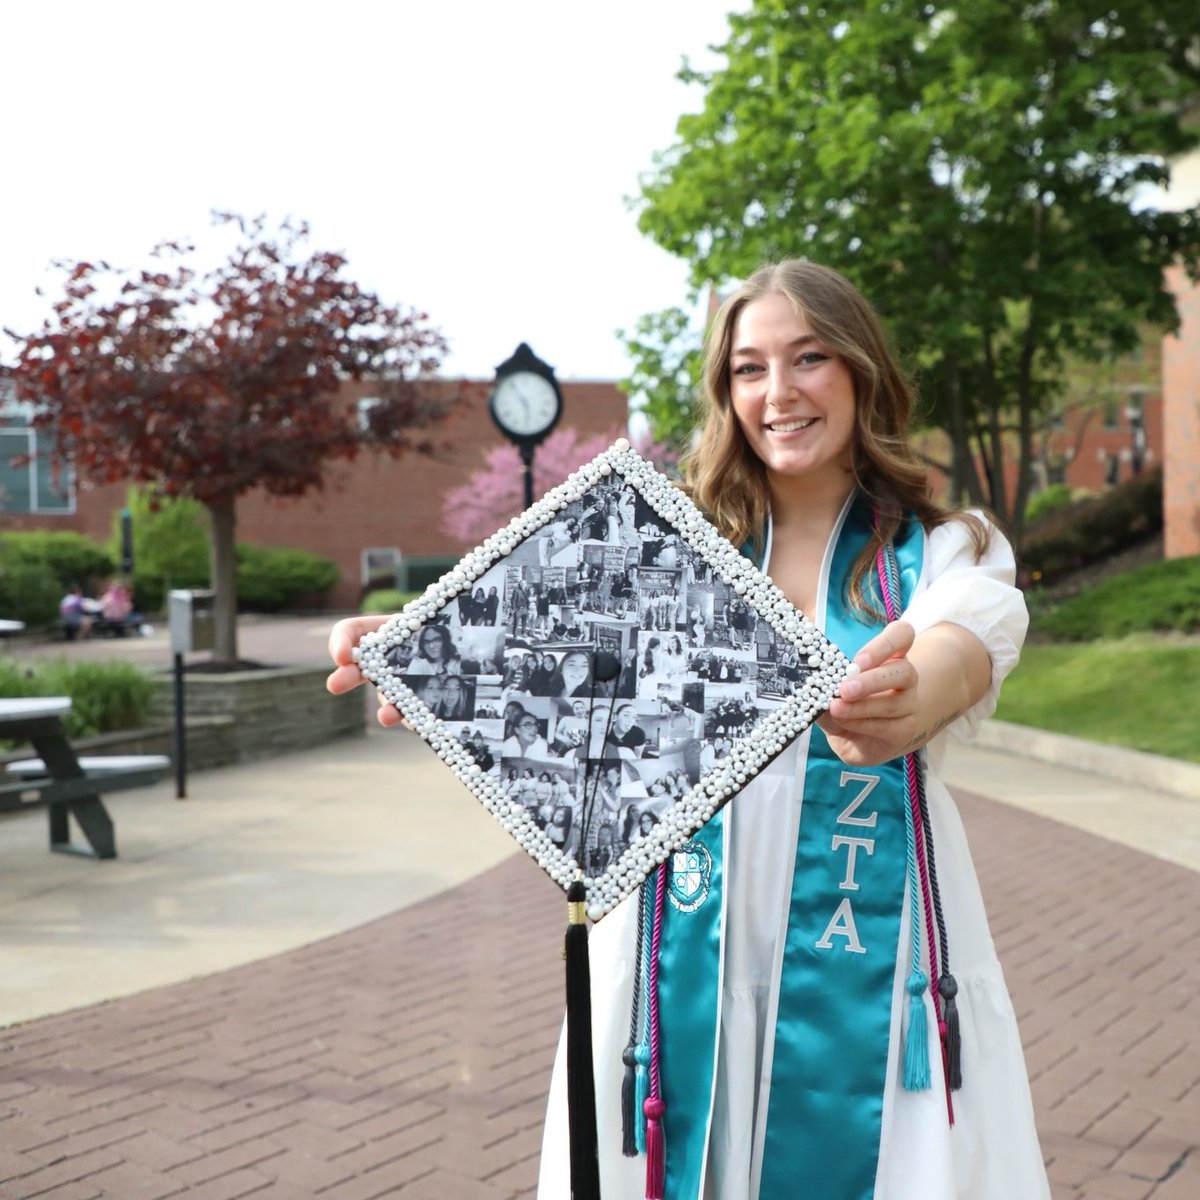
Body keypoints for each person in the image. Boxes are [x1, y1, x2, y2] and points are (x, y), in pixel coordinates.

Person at [324, 258, 1047, 1200]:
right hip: (672, 960)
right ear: (725, 390)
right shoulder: (668, 551)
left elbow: (965, 641)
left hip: (870, 961)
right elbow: (550, 667)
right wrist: (431, 651)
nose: (778, 392)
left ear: (864, 372)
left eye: (809, 357)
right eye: (749, 368)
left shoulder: (942, 550)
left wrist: (913, 690)